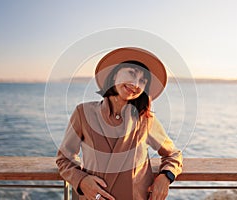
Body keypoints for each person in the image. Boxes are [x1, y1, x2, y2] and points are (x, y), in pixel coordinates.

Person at [56, 47, 183, 200]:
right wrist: (82, 180)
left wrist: (165, 176)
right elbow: (64, 158)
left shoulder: (145, 119)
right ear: (115, 74)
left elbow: (173, 154)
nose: (136, 84)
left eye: (143, 81)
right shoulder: (83, 113)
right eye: (132, 73)